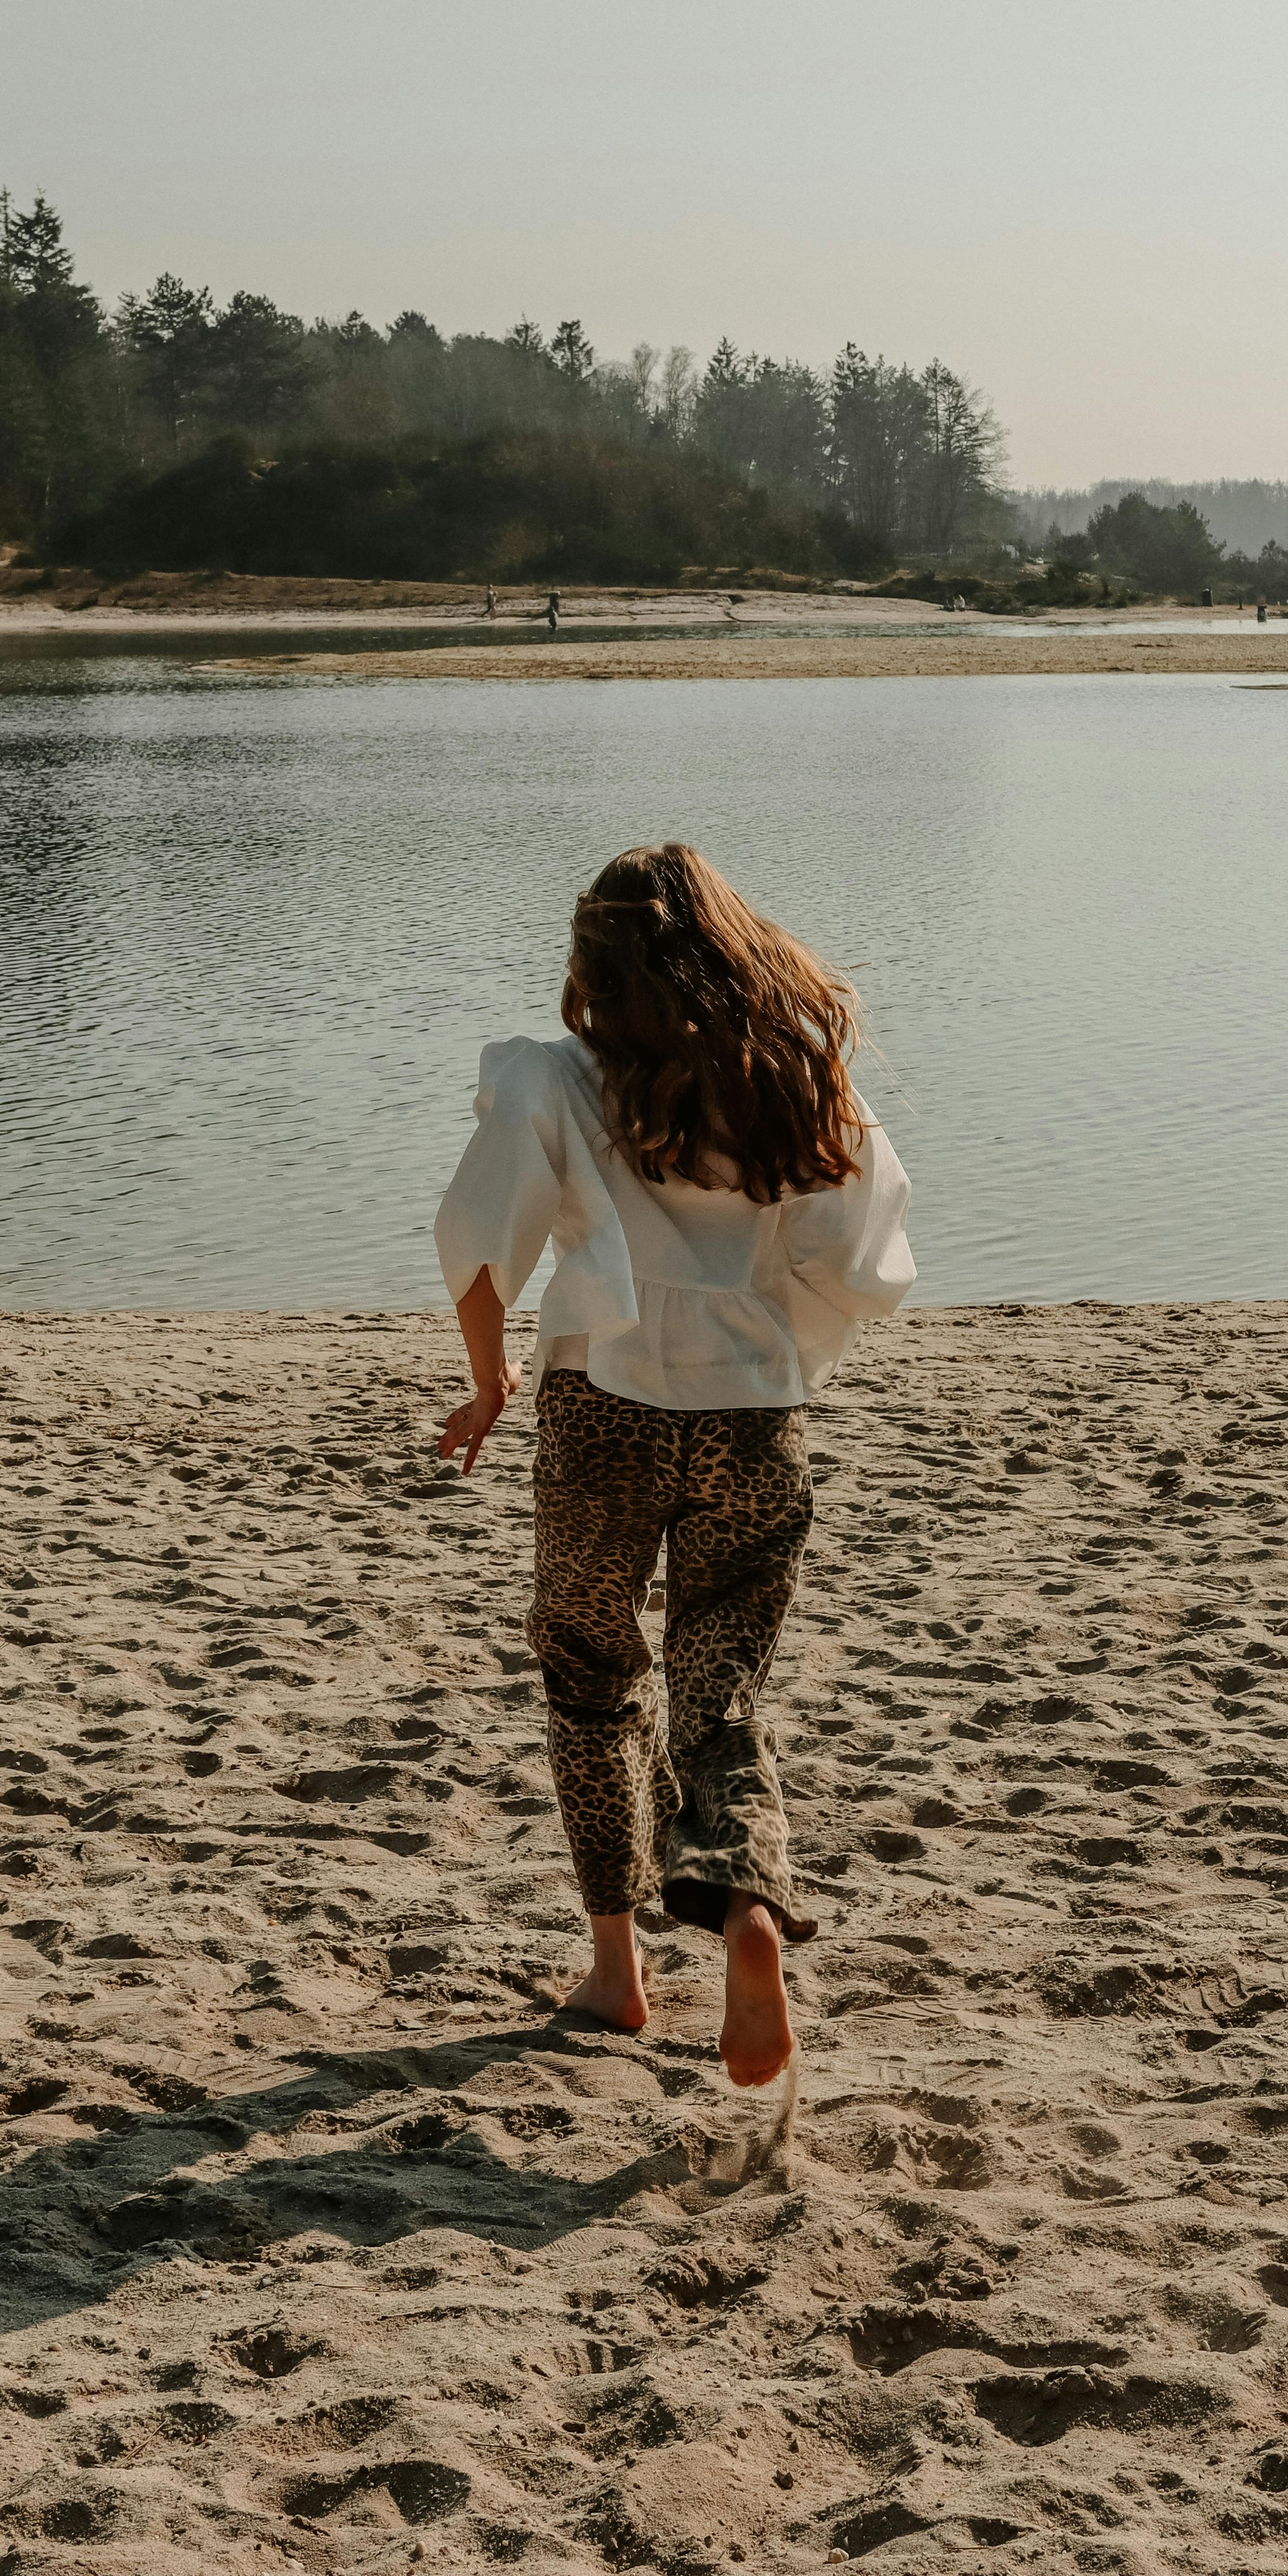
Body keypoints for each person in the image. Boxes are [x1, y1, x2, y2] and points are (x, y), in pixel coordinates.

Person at [433, 844, 912, 2086]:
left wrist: (487, 1385)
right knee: (723, 1693)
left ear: (593, 962)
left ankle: (617, 1972)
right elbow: (861, 1259)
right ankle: (748, 1909)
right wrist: (767, 1332)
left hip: (604, 1406)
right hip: (759, 1417)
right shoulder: (793, 1078)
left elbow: (483, 1240)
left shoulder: (556, 1077)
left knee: (592, 1678)